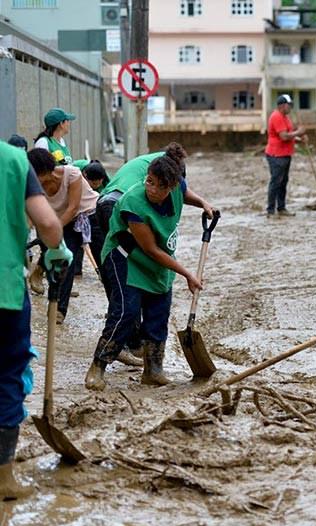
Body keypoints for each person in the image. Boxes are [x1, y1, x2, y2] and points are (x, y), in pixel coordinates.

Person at [83, 156, 217, 391]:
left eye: (160, 186)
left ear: (172, 185)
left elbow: (185, 193)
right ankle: (98, 366)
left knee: (158, 312)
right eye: (149, 181)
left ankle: (153, 370)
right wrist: (187, 274)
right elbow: (150, 249)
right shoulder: (133, 202)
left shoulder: (176, 187)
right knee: (126, 311)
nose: (152, 189)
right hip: (126, 255)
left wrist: (204, 203)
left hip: (158, 262)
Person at [0, 139, 71, 499]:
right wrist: (56, 253)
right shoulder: (12, 159)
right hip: (5, 293)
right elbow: (47, 222)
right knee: (7, 374)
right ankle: (4, 479)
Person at [26, 149, 100, 325]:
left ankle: (60, 309)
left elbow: (73, 208)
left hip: (82, 216)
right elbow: (30, 214)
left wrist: (53, 230)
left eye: (37, 175)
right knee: (60, 264)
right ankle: (56, 306)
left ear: (48, 171)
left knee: (76, 262)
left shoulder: (71, 174)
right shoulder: (31, 185)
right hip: (53, 221)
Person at [265, 94, 305, 217]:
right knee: (276, 182)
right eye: (289, 105)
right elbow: (283, 136)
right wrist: (299, 132)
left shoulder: (285, 117)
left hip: (285, 153)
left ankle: (281, 208)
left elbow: (289, 135)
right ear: (282, 105)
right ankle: (270, 210)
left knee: (283, 182)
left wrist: (299, 138)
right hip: (276, 155)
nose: (291, 107)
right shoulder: (276, 117)